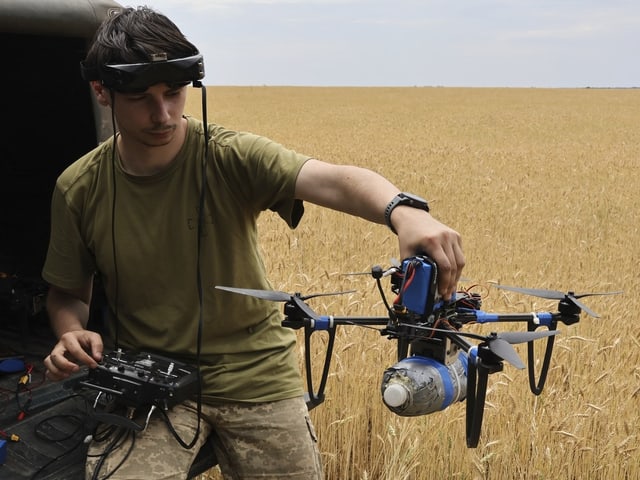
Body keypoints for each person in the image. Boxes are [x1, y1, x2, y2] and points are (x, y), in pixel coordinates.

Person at [42, 6, 465, 480]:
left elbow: (333, 180)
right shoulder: (78, 187)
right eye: (141, 97)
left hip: (256, 373)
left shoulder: (229, 155)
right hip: (151, 381)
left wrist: (403, 212)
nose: (162, 113)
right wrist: (69, 331)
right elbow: (68, 293)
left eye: (175, 93)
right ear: (102, 91)